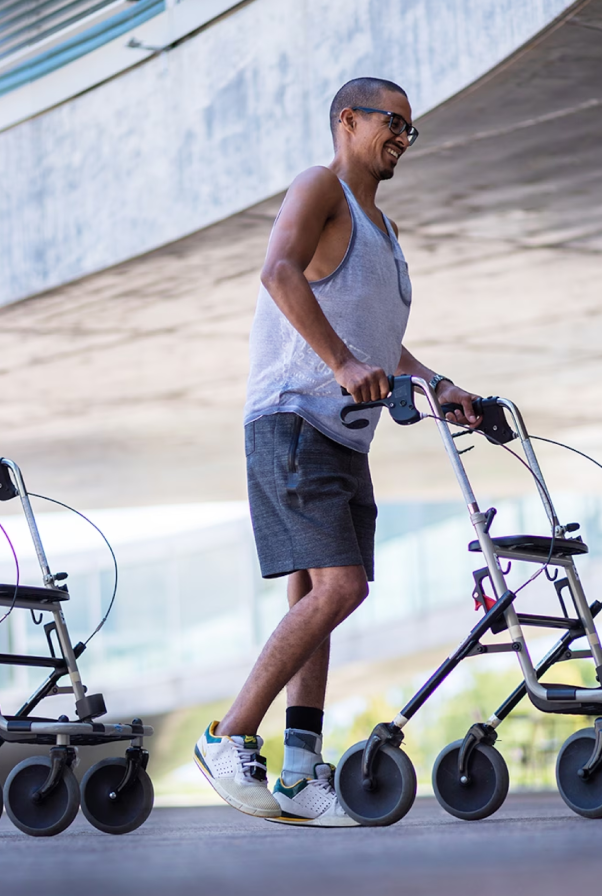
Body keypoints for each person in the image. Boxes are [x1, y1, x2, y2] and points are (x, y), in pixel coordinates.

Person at [193, 78, 482, 826]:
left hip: (343, 438)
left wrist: (439, 383)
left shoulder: (383, 230)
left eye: (410, 132)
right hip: (294, 420)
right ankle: (226, 736)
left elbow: (382, 341)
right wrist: (342, 366)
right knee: (341, 589)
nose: (402, 140)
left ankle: (297, 770)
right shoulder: (320, 187)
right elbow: (279, 272)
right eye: (393, 124)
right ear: (347, 120)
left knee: (316, 599)